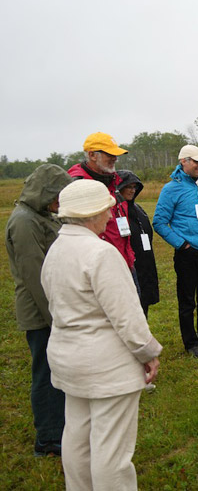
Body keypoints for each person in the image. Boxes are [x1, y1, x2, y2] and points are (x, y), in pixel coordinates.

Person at [41, 179, 162, 490]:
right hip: (106, 367)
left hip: (68, 359)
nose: (111, 216)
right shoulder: (101, 253)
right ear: (92, 214)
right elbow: (127, 317)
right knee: (112, 451)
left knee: (78, 438)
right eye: (107, 210)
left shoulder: (56, 249)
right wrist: (148, 353)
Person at [5, 164, 72, 457]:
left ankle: (60, 428)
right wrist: (55, 318)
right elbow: (35, 276)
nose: (61, 202)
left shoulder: (42, 216)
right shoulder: (24, 222)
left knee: (57, 371)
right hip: (40, 312)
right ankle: (47, 439)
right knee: (46, 374)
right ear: (44, 193)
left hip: (54, 308)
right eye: (58, 195)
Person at [153, 144, 198, 357]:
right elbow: (159, 222)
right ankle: (191, 343)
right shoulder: (171, 189)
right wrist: (182, 244)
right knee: (187, 300)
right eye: (196, 161)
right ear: (183, 161)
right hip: (188, 253)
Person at [68, 132, 136, 278]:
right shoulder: (79, 185)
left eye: (115, 154)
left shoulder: (113, 180)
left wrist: (128, 258)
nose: (115, 158)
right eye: (109, 154)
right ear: (92, 155)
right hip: (99, 267)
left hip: (124, 262)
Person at [118, 170, 160, 318]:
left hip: (145, 263)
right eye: (128, 186)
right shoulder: (116, 212)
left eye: (135, 187)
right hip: (128, 265)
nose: (132, 190)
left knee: (144, 304)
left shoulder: (138, 209)